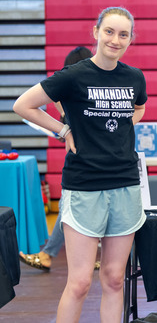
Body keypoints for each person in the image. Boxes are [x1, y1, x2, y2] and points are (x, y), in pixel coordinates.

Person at [13, 6, 147, 322]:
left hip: (126, 185)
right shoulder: (74, 76)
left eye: (124, 34)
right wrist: (63, 130)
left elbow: (138, 109)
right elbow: (23, 105)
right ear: (96, 32)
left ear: (130, 39)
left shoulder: (134, 77)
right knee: (80, 282)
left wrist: (120, 123)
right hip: (85, 186)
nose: (116, 40)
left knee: (115, 278)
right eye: (110, 31)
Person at [18, 46, 94, 272]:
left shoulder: (75, 91)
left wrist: (62, 118)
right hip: (85, 162)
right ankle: (49, 253)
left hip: (84, 164)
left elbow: (72, 125)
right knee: (66, 209)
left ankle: (49, 254)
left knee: (67, 209)